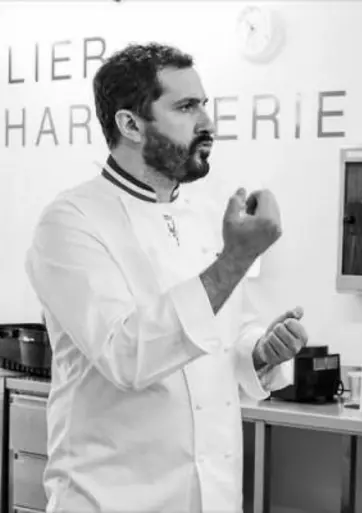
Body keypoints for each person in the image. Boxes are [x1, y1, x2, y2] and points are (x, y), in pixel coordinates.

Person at [25, 42, 309, 513]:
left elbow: (224, 338)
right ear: (130, 124)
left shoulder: (206, 216)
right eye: (185, 107)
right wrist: (234, 261)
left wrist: (258, 351)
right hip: (110, 499)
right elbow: (127, 355)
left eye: (204, 105)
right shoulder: (70, 222)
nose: (207, 123)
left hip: (211, 497)